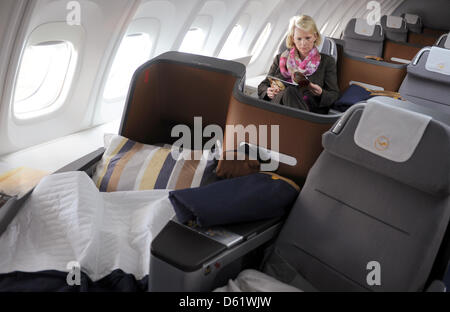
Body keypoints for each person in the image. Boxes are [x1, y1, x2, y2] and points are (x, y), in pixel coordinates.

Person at [258, 15, 340, 114]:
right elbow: (263, 85)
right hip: (279, 104)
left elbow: (334, 94)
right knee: (290, 92)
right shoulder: (280, 58)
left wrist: (321, 93)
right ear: (293, 39)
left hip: (310, 108)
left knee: (291, 92)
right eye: (299, 39)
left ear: (315, 36)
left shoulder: (327, 61)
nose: (303, 43)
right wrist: (268, 91)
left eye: (307, 38)